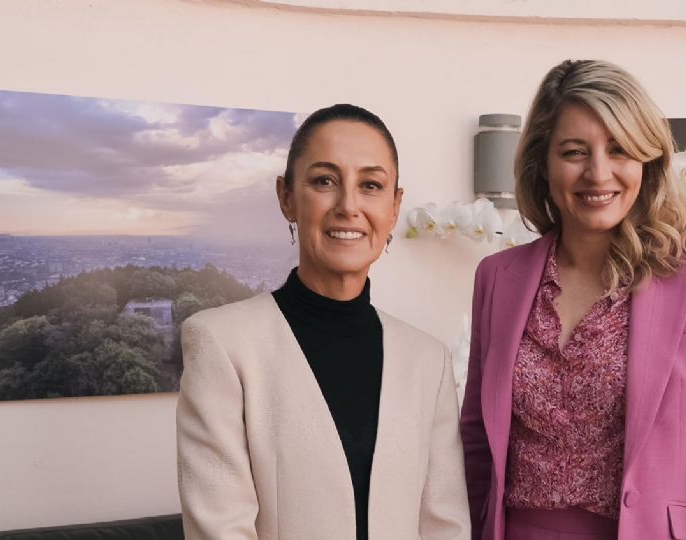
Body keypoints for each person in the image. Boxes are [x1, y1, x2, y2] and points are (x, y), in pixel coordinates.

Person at [460, 60, 686, 540]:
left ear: (648, 159)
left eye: (619, 149)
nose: (598, 173)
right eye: (575, 151)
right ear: (543, 162)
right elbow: (476, 445)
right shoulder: (497, 278)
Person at [177, 104, 470, 540]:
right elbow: (220, 530)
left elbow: (445, 528)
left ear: (395, 206)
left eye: (370, 185)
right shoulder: (222, 344)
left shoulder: (427, 361)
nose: (348, 205)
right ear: (287, 197)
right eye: (324, 181)